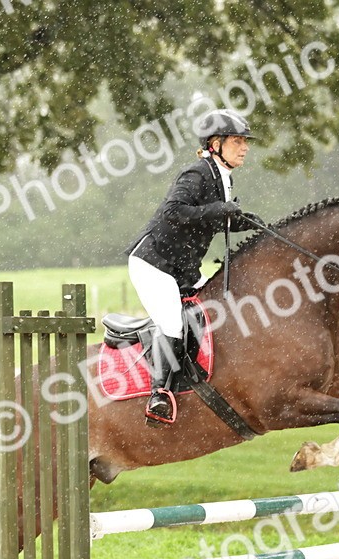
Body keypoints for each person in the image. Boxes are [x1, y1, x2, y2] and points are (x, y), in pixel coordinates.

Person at [124, 108, 265, 426]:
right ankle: (159, 395)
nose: (244, 147)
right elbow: (175, 211)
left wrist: (249, 222)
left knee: (213, 310)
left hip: (183, 269)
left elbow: (212, 218)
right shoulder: (197, 174)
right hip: (155, 266)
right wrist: (218, 209)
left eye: (245, 141)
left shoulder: (223, 179)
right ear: (215, 143)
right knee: (173, 324)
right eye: (237, 141)